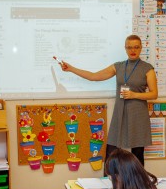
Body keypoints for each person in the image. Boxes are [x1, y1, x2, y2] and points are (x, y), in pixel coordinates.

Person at [60, 35, 157, 165]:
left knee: (137, 154)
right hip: (120, 113)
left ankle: (137, 178)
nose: (132, 50)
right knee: (111, 150)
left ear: (141, 48)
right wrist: (71, 69)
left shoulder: (147, 68)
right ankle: (109, 176)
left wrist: (134, 95)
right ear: (125, 48)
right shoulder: (118, 66)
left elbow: (154, 94)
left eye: (136, 47)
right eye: (129, 47)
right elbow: (94, 76)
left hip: (138, 114)